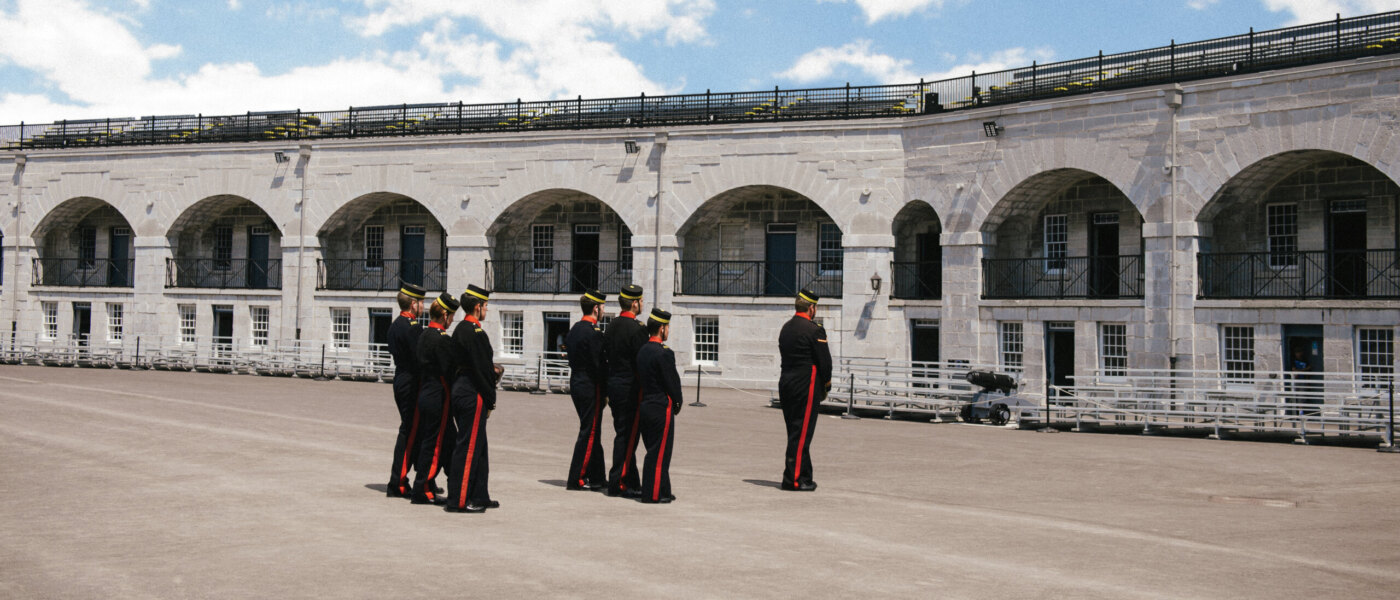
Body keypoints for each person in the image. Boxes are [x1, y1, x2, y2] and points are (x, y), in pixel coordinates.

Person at [445, 284, 500, 513]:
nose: (486, 310)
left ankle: (479, 494)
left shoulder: (461, 329)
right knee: (468, 448)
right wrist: (490, 399)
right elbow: (482, 370)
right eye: (485, 306)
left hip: (463, 388)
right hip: (472, 391)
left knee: (480, 447)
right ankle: (459, 500)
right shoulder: (474, 332)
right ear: (477, 307)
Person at [777, 289, 832, 492]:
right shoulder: (814, 330)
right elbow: (825, 363)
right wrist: (826, 385)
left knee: (796, 432)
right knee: (801, 434)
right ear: (811, 308)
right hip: (806, 385)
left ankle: (805, 476)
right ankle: (794, 479)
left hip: (786, 384)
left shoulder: (786, 327)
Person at [409, 292, 459, 505]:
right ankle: (421, 487)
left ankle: (446, 481)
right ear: (445, 315)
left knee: (446, 441)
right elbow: (449, 370)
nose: (452, 320)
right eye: (451, 316)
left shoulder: (423, 335)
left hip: (426, 391)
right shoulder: (441, 340)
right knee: (434, 443)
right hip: (439, 393)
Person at [603, 284, 647, 498]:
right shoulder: (638, 329)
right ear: (634, 303)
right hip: (631, 389)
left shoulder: (611, 325)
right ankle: (617, 482)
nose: (642, 305)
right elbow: (642, 363)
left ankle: (631, 479)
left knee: (624, 434)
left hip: (614, 385)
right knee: (628, 437)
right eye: (641, 301)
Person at [636, 308, 683, 504]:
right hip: (660, 406)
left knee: (657, 450)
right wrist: (678, 401)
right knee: (659, 452)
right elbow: (672, 382)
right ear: (662, 328)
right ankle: (652, 494)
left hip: (646, 403)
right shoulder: (664, 353)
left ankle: (663, 489)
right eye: (668, 327)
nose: (668, 331)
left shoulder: (643, 350)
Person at [565, 289, 608, 491]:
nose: (604, 311)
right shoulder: (593, 332)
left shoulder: (575, 329)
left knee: (593, 430)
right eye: (603, 307)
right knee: (589, 432)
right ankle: (577, 478)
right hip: (591, 384)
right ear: (596, 308)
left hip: (577, 381)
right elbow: (599, 365)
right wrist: (606, 390)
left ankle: (597, 475)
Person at [386, 282, 426, 498]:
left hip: (401, 378)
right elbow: (420, 359)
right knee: (409, 433)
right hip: (412, 381)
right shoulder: (413, 328)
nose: (423, 306)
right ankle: (398, 482)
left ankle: (421, 477)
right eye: (421, 302)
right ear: (413, 304)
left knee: (413, 432)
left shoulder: (396, 324)